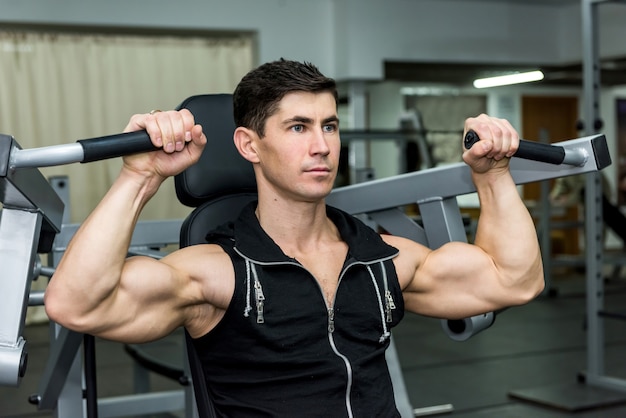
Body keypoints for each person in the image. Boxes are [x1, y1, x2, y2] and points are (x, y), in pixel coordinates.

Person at [45, 59, 544, 417]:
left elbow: (513, 281)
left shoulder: (382, 259)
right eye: (298, 127)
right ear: (249, 145)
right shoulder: (216, 271)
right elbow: (77, 305)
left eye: (329, 125)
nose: (322, 146)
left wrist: (493, 173)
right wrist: (141, 176)